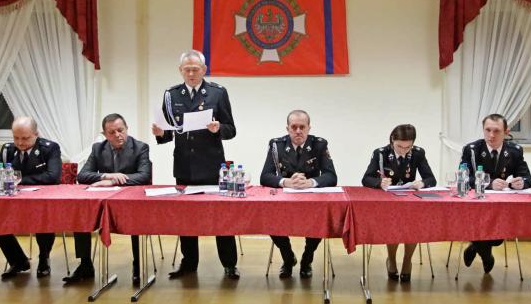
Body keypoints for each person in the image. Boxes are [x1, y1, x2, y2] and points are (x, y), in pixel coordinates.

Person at [151, 50, 239, 280]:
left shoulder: (217, 93)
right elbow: (168, 132)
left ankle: (229, 264)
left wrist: (218, 128)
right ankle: (189, 263)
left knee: (221, 216)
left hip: (211, 165)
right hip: (184, 166)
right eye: (187, 69)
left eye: (195, 69)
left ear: (204, 70)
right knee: (186, 218)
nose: (191, 73)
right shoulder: (171, 95)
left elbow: (231, 130)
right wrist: (160, 133)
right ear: (180, 71)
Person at [64, 113, 152, 287]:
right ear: (104, 134)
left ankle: (138, 265)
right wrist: (105, 176)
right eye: (112, 132)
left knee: (137, 218)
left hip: (130, 201)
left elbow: (144, 176)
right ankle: (85, 265)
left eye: (121, 130)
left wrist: (113, 181)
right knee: (81, 212)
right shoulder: (98, 148)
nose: (118, 135)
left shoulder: (140, 147)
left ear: (127, 129)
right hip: (103, 201)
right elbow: (82, 176)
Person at [260, 110, 337, 278]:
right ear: (287, 128)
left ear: (309, 128)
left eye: (302, 127)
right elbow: (265, 176)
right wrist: (286, 182)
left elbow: (331, 176)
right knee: (270, 218)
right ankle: (288, 258)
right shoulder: (276, 145)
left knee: (319, 221)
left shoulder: (319, 144)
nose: (298, 131)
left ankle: (307, 259)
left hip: (312, 201)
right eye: (294, 127)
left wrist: (311, 182)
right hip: (285, 200)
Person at [0, 116, 61, 279]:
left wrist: (16, 180)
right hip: (12, 202)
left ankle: (44, 259)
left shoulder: (49, 148)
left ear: (36, 134)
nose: (20, 142)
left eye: (25, 138)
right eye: (16, 138)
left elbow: (53, 177)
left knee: (44, 219)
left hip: (40, 202)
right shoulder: (7, 149)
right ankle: (18, 261)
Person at [361, 124, 436, 283]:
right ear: (392, 140)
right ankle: (392, 259)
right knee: (393, 223)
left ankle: (407, 260)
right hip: (389, 202)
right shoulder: (381, 153)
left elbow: (431, 178)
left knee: (414, 224)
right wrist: (379, 183)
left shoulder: (418, 153)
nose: (403, 151)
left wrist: (421, 183)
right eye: (399, 146)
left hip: (410, 201)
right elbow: (366, 179)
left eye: (408, 147)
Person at [460, 113, 531, 273]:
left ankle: (475, 246)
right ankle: (487, 257)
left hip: (500, 206)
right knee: (478, 226)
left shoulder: (514, 151)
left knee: (497, 238)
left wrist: (521, 183)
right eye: (487, 130)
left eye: (497, 131)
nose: (491, 135)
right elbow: (463, 179)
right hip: (475, 205)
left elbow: (528, 178)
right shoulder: (472, 150)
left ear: (506, 132)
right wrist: (488, 183)